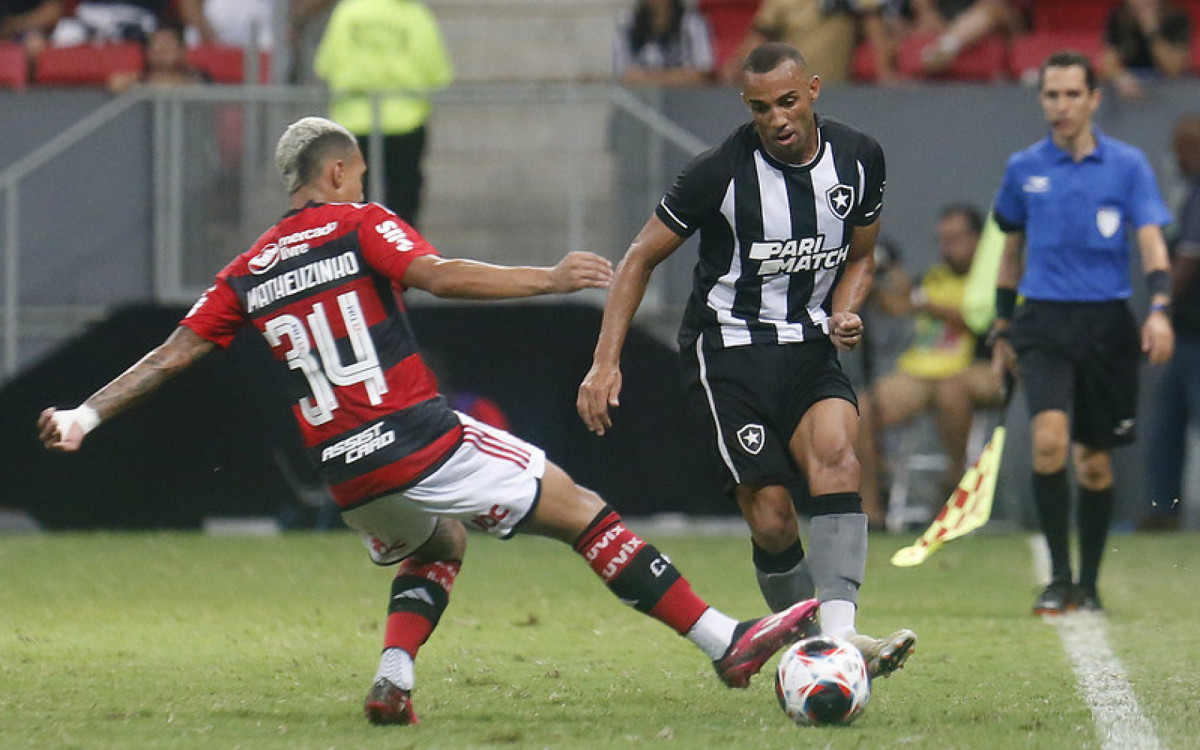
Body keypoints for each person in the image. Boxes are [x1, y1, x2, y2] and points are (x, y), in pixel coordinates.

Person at [38, 116, 823, 726]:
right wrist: (549, 280)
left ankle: (394, 676)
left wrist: (84, 415)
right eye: (360, 174)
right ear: (339, 172)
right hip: (418, 438)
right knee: (581, 511)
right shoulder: (358, 221)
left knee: (438, 543)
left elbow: (173, 354)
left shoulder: (249, 268)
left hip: (345, 471)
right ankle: (726, 642)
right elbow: (439, 276)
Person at [578, 42, 916, 678]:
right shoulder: (718, 172)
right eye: (762, 108)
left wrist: (845, 308)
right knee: (772, 517)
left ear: (813, 90)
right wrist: (605, 361)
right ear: (748, 107)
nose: (778, 119)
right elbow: (639, 258)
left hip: (810, 343)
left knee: (840, 456)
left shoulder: (859, 158)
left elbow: (862, 256)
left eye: (788, 101)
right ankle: (812, 643)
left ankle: (839, 644)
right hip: (728, 352)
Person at [989, 51, 1175, 615]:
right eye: (1052, 95)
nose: (1062, 106)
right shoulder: (1024, 167)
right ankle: (1058, 578)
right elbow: (1010, 251)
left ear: (1094, 98)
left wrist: (1160, 306)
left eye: (1073, 94)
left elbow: (1150, 241)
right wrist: (1002, 326)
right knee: (1048, 444)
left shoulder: (1128, 166)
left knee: (1094, 462)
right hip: (1043, 320)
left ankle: (1088, 585)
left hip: (1106, 322)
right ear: (1041, 99)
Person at [857, 203, 1005, 517]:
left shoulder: (994, 279)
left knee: (952, 390)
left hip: (974, 367)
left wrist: (927, 304)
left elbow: (982, 322)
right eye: (942, 240)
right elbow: (899, 304)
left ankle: (955, 476)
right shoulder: (934, 277)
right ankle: (872, 507)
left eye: (954, 239)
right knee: (862, 407)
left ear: (977, 239)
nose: (945, 248)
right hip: (921, 372)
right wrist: (881, 274)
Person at [313, 0, 453, 228]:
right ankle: (400, 257)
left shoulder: (348, 12)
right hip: (404, 121)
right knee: (402, 203)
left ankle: (355, 258)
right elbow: (437, 72)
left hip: (352, 120)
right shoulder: (415, 16)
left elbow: (325, 66)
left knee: (351, 203)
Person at [1141, 115, 1200, 532]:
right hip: (1188, 333)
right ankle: (1163, 510)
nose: (1176, 156)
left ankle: (1165, 509)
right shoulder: (1189, 193)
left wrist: (1158, 308)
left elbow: (1188, 262)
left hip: (1194, 332)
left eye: (1182, 147)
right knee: (1167, 426)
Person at [719, 0, 870, 85]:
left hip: (838, 89)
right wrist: (736, 68)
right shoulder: (781, 3)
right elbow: (759, 37)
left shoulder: (865, 6)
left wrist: (887, 83)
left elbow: (876, 29)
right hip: (791, 88)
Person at [1099, 0, 1192, 102]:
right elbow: (1108, 63)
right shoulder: (1119, 16)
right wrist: (1120, 77)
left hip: (1168, 84)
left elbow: (1174, 69)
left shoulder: (1176, 17)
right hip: (1132, 84)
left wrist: (1152, 31)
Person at [613, 0, 715, 87]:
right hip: (639, 102)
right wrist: (677, 77)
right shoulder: (627, 24)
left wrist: (649, 78)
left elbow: (701, 74)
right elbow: (625, 75)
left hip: (685, 100)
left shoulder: (693, 22)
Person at [106, 24, 209, 93]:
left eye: (167, 44)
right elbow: (116, 83)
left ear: (182, 50)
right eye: (155, 44)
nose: (160, 49)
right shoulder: (141, 78)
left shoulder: (198, 77)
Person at [0, 0, 63, 65]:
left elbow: (51, 13)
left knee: (34, 43)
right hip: (7, 34)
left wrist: (14, 24)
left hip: (40, 32)